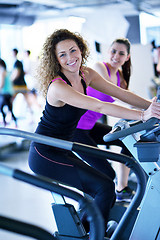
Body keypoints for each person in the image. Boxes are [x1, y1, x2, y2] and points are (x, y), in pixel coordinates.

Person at [28, 29, 160, 234]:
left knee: (101, 190)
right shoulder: (58, 87)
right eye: (62, 55)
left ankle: (88, 230)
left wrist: (152, 108)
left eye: (73, 50)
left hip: (65, 145)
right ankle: (92, 234)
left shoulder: (86, 74)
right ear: (55, 59)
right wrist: (143, 116)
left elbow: (119, 93)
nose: (70, 58)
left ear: (81, 49)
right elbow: (99, 106)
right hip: (45, 152)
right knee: (104, 187)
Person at [72, 38, 134, 202]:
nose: (116, 56)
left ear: (127, 57)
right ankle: (89, 208)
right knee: (106, 172)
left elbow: (127, 99)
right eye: (113, 51)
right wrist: (142, 112)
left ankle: (122, 188)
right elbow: (118, 97)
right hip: (75, 129)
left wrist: (148, 109)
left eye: (121, 53)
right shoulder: (100, 68)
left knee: (127, 140)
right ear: (108, 52)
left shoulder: (121, 78)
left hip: (90, 127)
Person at [0, 58, 17, 127]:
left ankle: (5, 123)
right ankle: (14, 123)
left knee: (1, 108)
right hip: (9, 93)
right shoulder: (7, 71)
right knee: (9, 108)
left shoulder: (2, 71)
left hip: (5, 93)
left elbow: (2, 84)